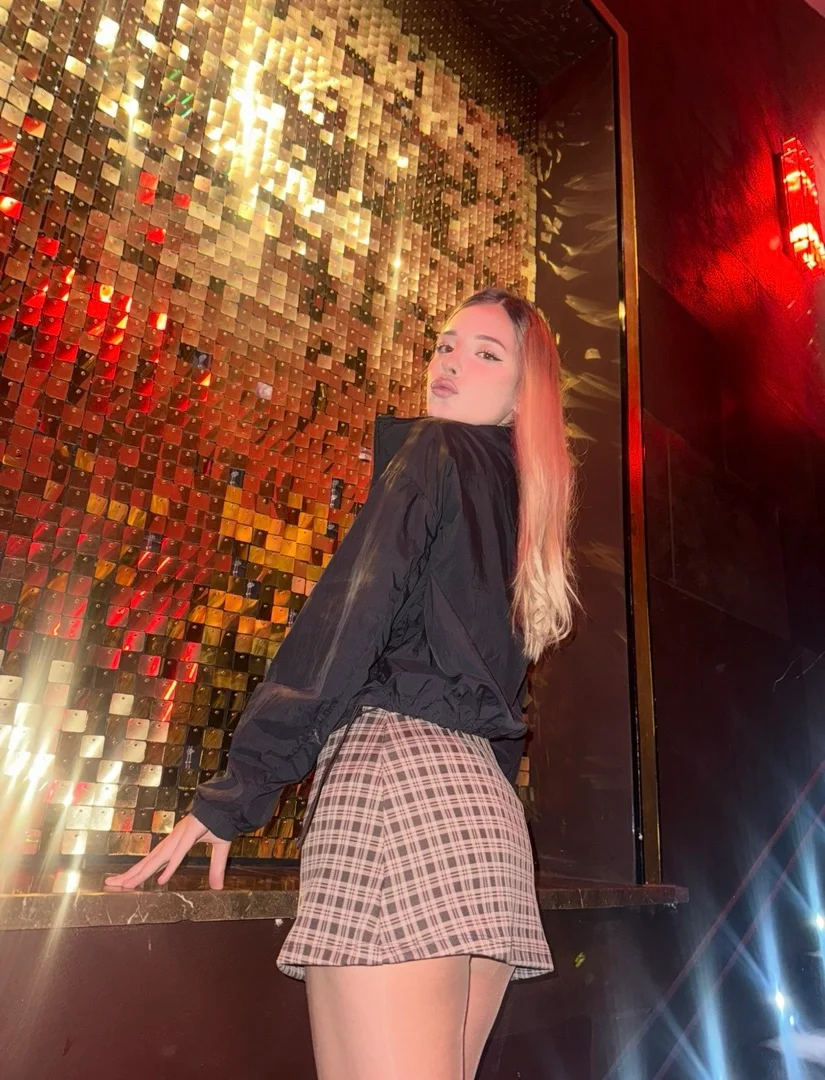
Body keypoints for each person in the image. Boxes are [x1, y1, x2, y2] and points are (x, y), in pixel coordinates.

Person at [105, 287, 577, 1080]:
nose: (451, 363)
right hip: (485, 824)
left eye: (484, 354)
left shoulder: (432, 453)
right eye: (445, 345)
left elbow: (346, 623)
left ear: (520, 393)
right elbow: (501, 706)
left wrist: (239, 791)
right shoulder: (524, 510)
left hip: (397, 795)